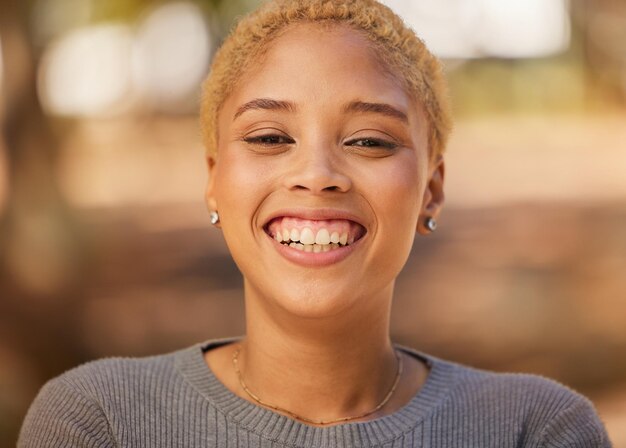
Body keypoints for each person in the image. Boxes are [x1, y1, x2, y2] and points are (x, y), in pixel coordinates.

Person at [19, 0, 612, 446]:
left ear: (431, 189)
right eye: (271, 137)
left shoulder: (534, 430)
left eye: (369, 141)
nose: (317, 174)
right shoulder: (102, 420)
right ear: (214, 179)